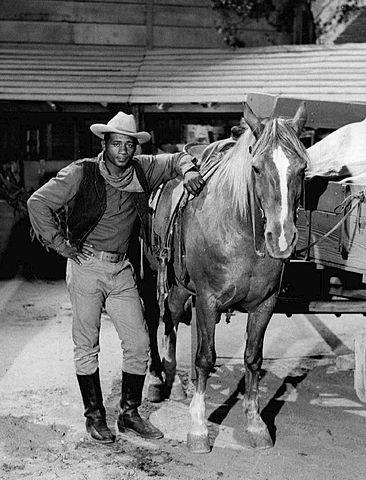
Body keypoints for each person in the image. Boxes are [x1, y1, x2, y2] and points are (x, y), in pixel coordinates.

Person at [27, 112, 205, 444]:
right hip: (86, 266)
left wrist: (190, 169)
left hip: (121, 268)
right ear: (105, 143)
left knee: (138, 344)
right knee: (86, 345)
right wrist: (61, 245)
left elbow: (179, 158)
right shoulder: (83, 172)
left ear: (135, 147)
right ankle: (95, 418)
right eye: (117, 143)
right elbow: (37, 202)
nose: (123, 150)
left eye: (129, 144)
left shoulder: (142, 169)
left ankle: (129, 414)